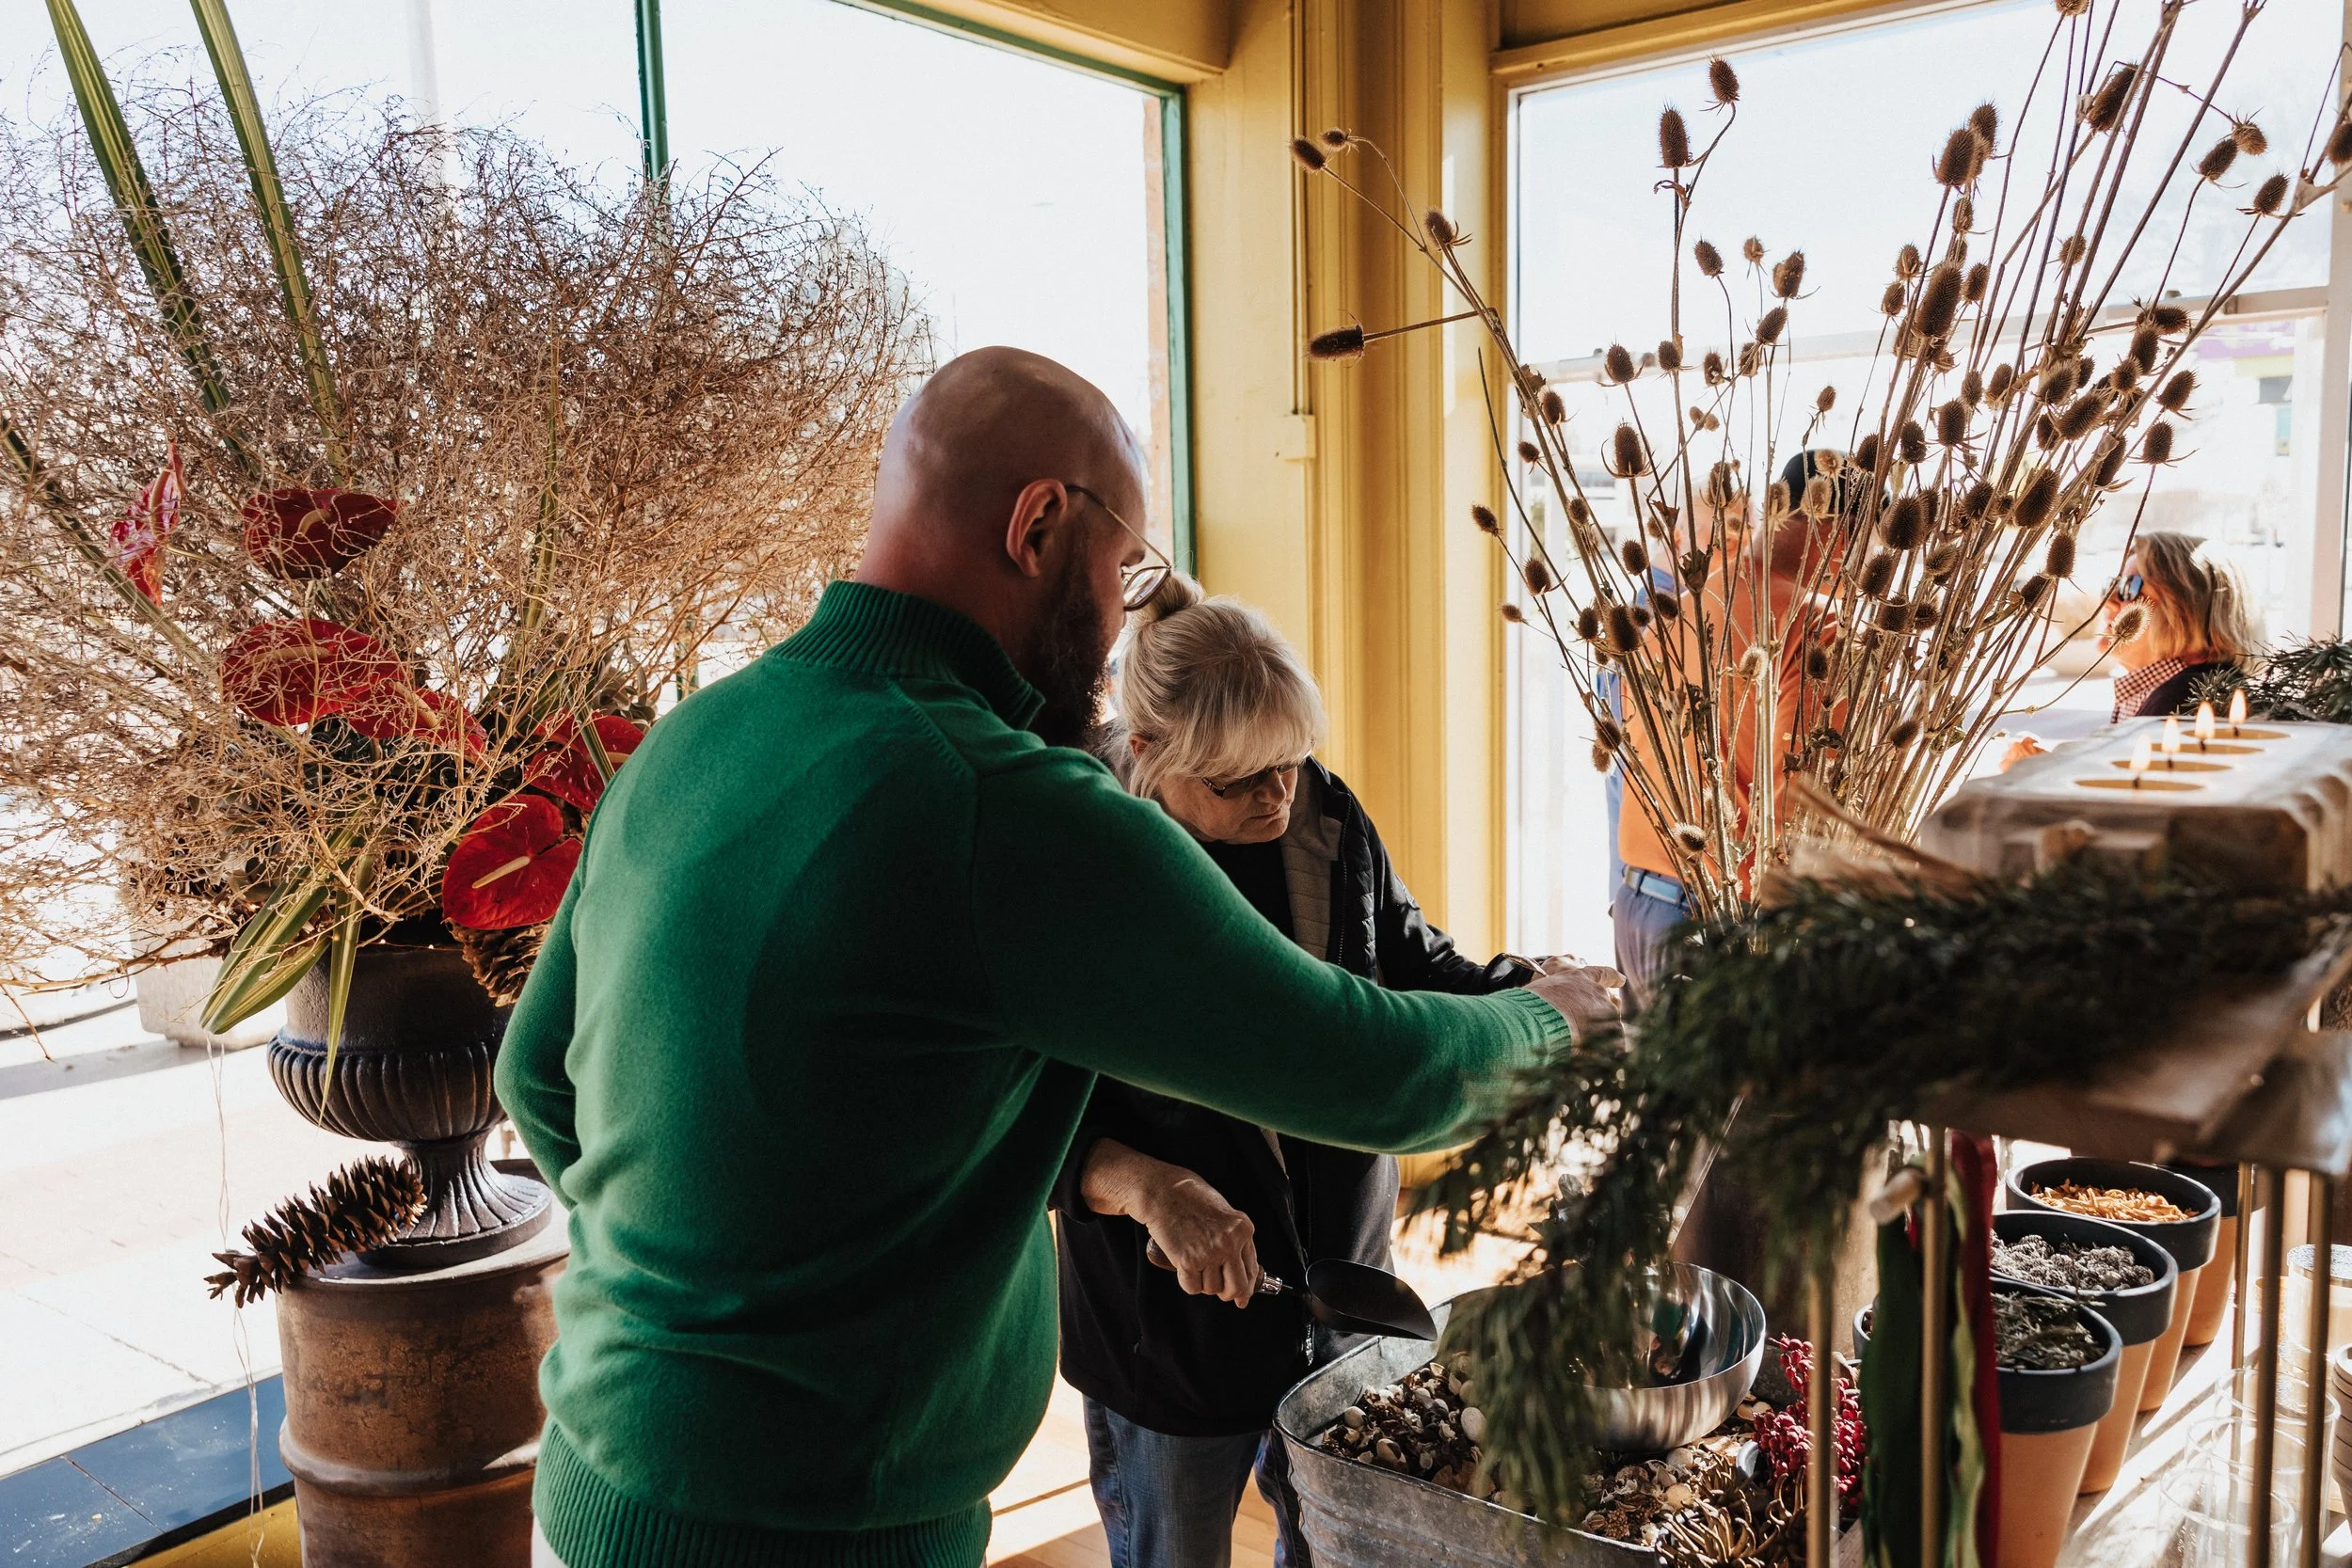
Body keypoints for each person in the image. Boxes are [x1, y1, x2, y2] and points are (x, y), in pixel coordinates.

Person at [495, 347, 1614, 1568]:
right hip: (818, 1522)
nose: (1130, 605)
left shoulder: (692, 737)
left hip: (599, 1482)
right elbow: (1372, 1067)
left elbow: (539, 1078)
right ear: (1038, 522)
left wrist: (705, 1281)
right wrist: (1553, 1015)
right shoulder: (999, 801)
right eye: (1126, 563)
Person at [1054, 575, 1535, 1568]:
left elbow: (1407, 955)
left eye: (1291, 758)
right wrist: (1151, 1186)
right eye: (1238, 780)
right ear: (1146, 756)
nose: (1278, 793)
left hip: (1344, 1294)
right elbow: (1027, 1110)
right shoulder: (1076, 871)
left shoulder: (1318, 812)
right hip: (1172, 1335)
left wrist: (1524, 992)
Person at [1611, 453, 1846, 998]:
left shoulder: (1679, 605)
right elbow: (1800, 799)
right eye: (1869, 545)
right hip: (1716, 920)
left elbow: (1633, 743)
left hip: (1636, 906)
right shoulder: (1811, 623)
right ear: (1836, 534)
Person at [2002, 530, 2258, 767]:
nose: (2109, 600)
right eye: (2112, 585)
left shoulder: (2189, 700)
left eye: (2128, 588)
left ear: (2185, 610)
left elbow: (2139, 804)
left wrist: (2043, 775)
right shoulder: (2172, 688)